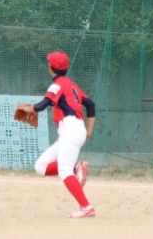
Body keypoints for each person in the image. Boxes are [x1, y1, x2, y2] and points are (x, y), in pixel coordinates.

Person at [18, 50, 96, 218]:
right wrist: (88, 131)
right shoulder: (72, 85)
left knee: (64, 171)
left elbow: (43, 105)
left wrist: (28, 108)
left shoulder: (58, 84)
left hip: (70, 130)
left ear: (51, 67)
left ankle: (86, 207)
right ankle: (76, 167)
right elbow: (90, 104)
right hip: (73, 130)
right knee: (41, 166)